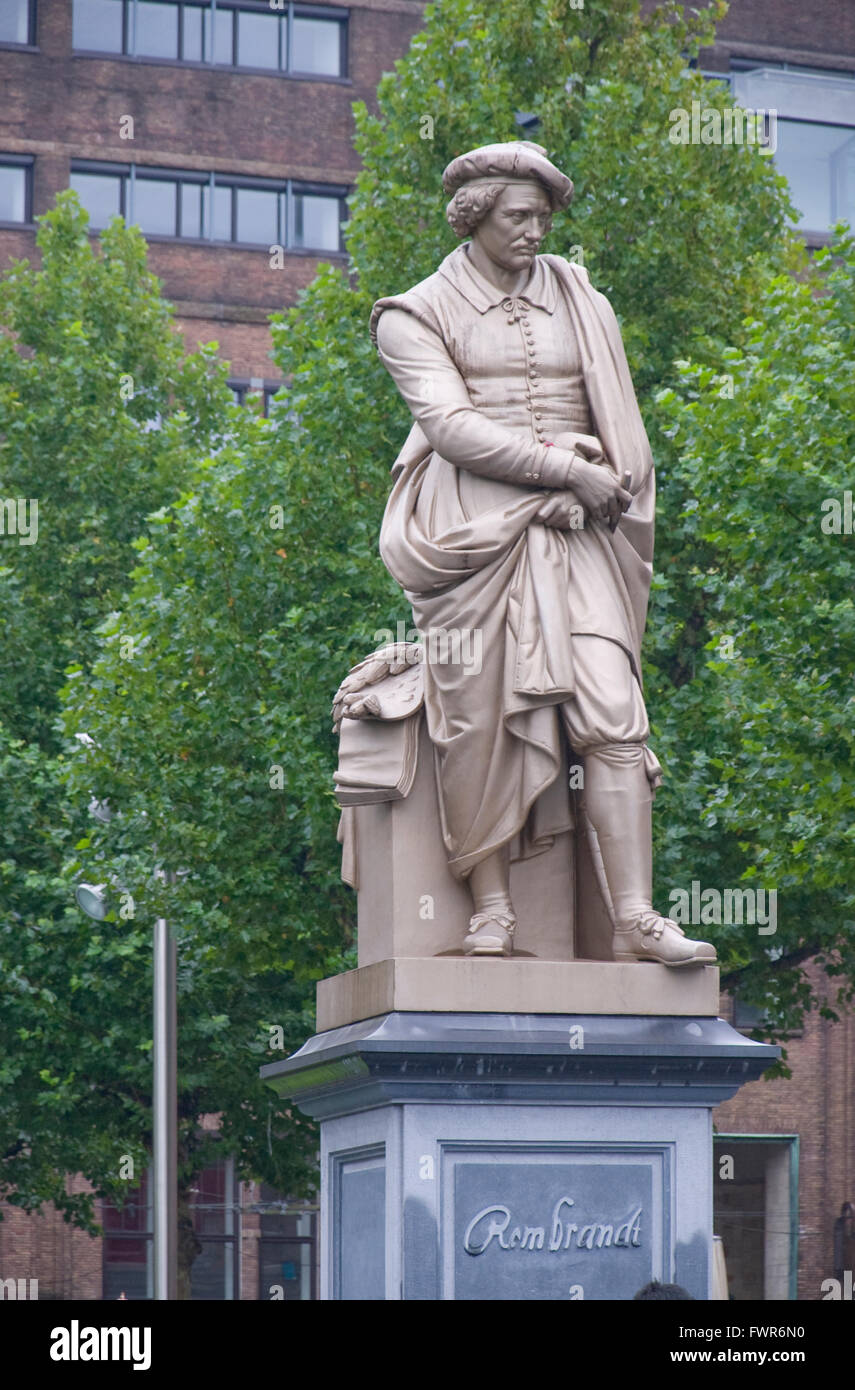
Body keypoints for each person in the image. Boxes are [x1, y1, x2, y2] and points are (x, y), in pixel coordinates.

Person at [370, 140, 715, 969]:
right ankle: (491, 910)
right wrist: (560, 467)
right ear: (473, 216)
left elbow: (621, 424)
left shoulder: (578, 294)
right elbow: (450, 428)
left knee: (612, 712)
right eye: (518, 216)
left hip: (580, 528)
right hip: (470, 540)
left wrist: (592, 479)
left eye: (542, 218)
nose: (534, 232)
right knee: (475, 724)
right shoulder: (412, 313)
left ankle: (634, 914)